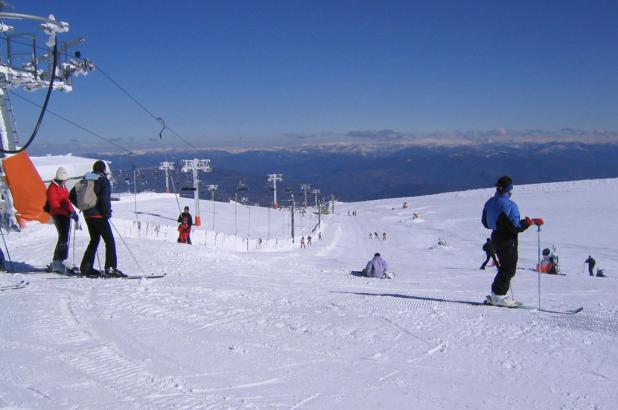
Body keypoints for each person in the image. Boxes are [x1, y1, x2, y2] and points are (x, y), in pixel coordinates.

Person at [482, 176, 533, 307]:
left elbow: (485, 223)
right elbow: (515, 227)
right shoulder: (511, 205)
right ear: (508, 190)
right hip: (507, 239)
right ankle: (499, 296)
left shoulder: (489, 202)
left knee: (504, 267)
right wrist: (528, 223)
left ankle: (496, 295)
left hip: (495, 236)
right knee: (509, 269)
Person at [71, 160, 124, 277]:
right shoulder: (103, 180)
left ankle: (86, 267)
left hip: (87, 215)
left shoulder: (84, 180)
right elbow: (104, 198)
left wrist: (82, 206)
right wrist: (106, 212)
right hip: (99, 215)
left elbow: (72, 195)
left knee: (94, 240)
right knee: (109, 241)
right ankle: (110, 268)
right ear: (103, 170)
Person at [46, 167, 79, 273]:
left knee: (65, 238)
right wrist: (68, 213)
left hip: (65, 215)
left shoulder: (62, 186)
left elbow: (66, 201)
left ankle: (62, 259)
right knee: (63, 238)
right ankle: (57, 261)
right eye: (64, 180)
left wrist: (72, 211)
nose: (66, 181)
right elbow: (55, 206)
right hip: (58, 215)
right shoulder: (52, 189)